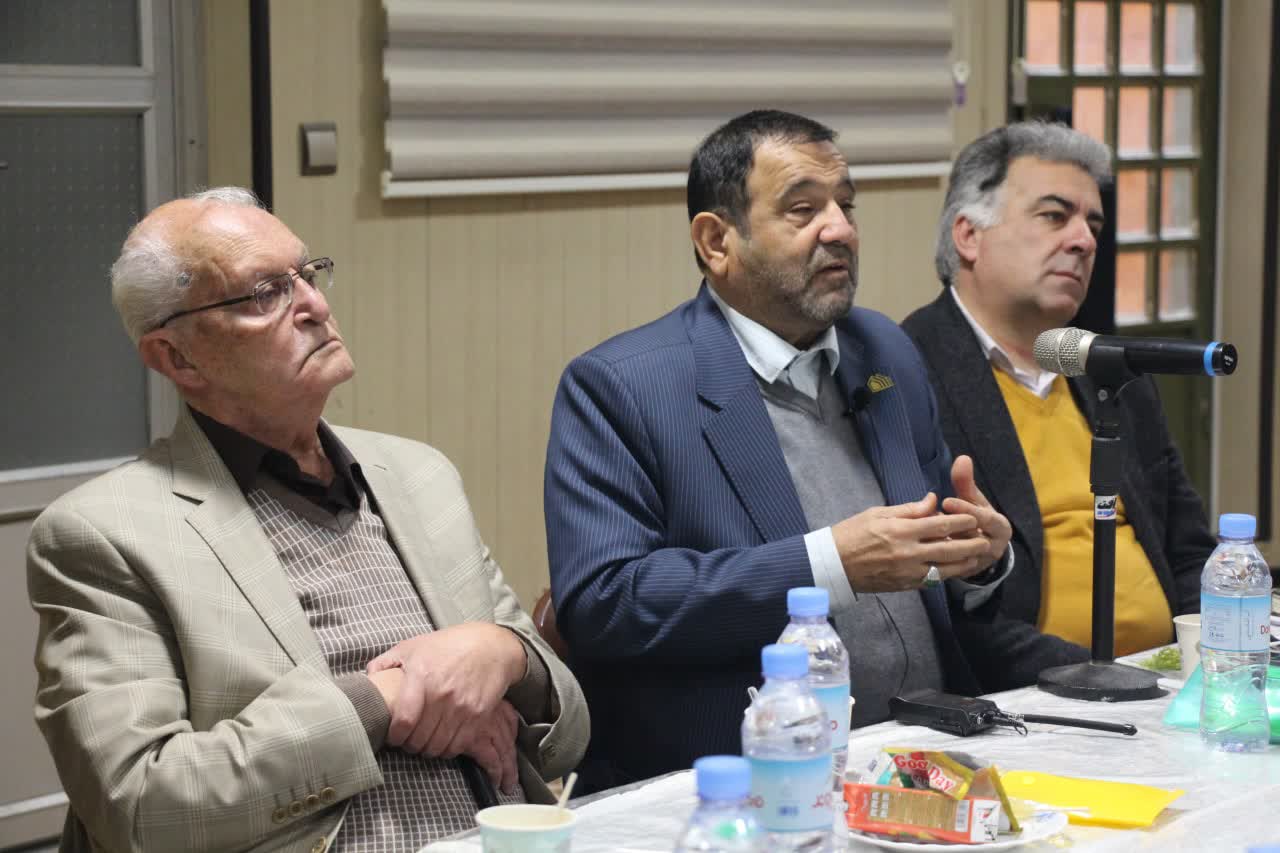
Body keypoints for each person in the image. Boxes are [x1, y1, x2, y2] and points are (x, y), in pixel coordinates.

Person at [27, 188, 588, 852]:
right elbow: (143, 806)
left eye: (307, 274)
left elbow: (568, 736)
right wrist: (385, 699)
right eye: (264, 293)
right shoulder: (105, 533)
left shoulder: (418, 476)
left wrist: (505, 655)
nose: (315, 306)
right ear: (177, 357)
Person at [543, 110, 1014, 793]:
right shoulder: (623, 387)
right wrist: (830, 564)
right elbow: (605, 603)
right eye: (803, 209)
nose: (840, 229)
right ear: (716, 241)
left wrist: (975, 557)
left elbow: (929, 560)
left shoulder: (885, 352)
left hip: (927, 759)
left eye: (846, 205)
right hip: (740, 782)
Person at [901, 121, 1214, 691]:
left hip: (1167, 680)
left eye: (1093, 224)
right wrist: (1109, 679)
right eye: (1054, 216)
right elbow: (949, 606)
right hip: (1036, 692)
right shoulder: (909, 369)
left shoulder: (1110, 369)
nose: (1084, 241)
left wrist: (1209, 658)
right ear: (968, 236)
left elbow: (1188, 548)